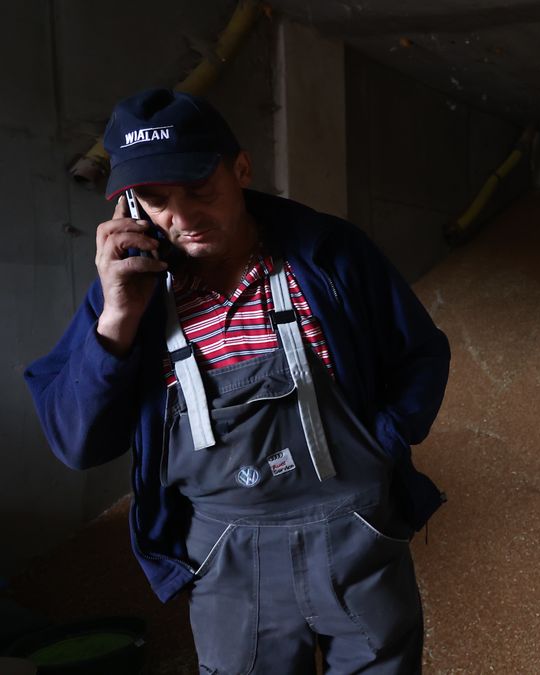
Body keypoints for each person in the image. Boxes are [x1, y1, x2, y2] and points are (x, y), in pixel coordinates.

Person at [24, 88, 450, 674]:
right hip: (227, 556)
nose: (182, 217)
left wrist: (384, 442)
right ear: (127, 205)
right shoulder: (127, 293)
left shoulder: (326, 255)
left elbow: (421, 353)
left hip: (354, 530)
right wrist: (118, 317)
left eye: (201, 189)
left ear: (241, 169)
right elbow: (78, 442)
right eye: (154, 198)